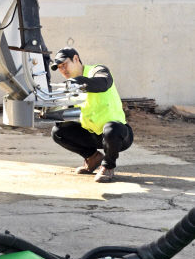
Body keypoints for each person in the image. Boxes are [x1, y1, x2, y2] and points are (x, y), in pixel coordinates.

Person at [50, 47, 134, 182]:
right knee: (58, 131)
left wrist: (78, 82)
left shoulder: (97, 70)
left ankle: (108, 166)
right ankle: (93, 158)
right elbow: (63, 113)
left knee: (112, 129)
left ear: (76, 59)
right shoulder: (70, 86)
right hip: (94, 135)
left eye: (64, 64)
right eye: (59, 67)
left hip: (119, 135)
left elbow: (103, 83)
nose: (62, 70)